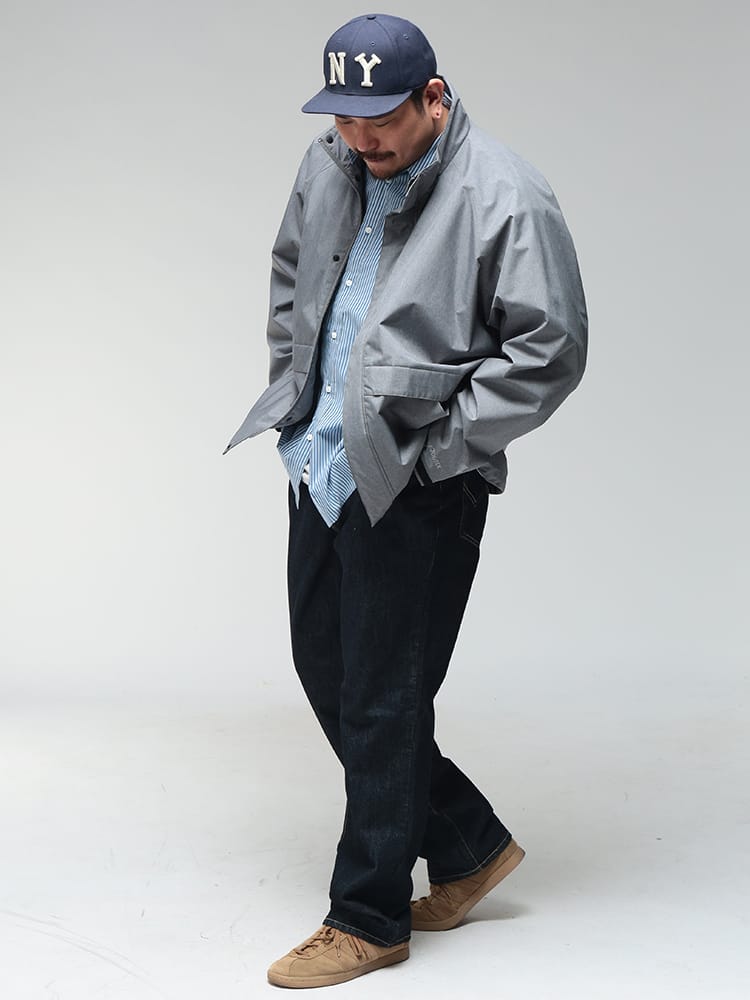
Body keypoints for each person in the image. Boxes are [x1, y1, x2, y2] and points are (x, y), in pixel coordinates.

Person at [224, 12, 587, 990]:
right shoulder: (329, 164)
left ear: (433, 96)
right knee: (327, 669)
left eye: (380, 118)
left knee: (383, 696)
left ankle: (369, 915)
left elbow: (550, 349)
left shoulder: (504, 193)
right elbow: (291, 276)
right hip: (323, 462)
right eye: (344, 117)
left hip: (416, 481)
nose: (361, 138)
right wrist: (296, 395)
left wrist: (440, 453)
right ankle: (466, 842)